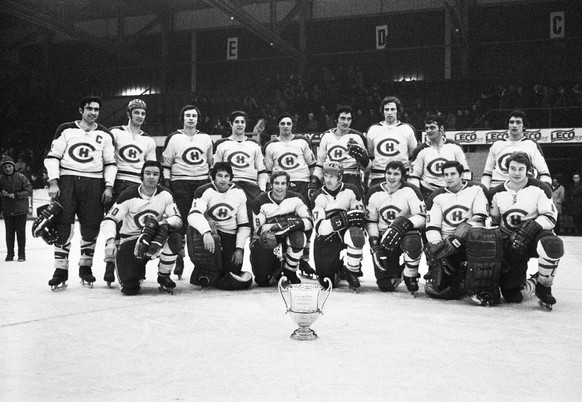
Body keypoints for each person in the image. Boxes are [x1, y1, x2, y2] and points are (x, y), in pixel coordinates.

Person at [44, 96, 116, 289]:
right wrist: (53, 182)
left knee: (91, 227)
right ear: (81, 110)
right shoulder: (66, 129)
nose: (93, 112)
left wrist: (109, 186)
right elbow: (52, 157)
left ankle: (86, 268)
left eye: (96, 109)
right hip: (68, 180)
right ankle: (60, 270)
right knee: (62, 226)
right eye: (89, 109)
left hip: (94, 182)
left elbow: (110, 163)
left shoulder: (106, 134)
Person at [489, 152, 563, 310]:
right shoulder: (496, 193)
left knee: (552, 244)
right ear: (506, 169)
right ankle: (534, 283)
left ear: (527, 170)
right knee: (512, 296)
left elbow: (550, 218)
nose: (516, 173)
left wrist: (528, 230)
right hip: (511, 243)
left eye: (520, 169)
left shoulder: (540, 188)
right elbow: (494, 221)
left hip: (534, 238)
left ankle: (544, 286)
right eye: (513, 168)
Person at [100, 161, 182, 295]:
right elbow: (110, 219)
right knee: (130, 289)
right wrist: (110, 241)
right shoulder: (129, 194)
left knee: (175, 238)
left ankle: (164, 275)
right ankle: (133, 271)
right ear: (142, 175)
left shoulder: (165, 194)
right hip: (131, 240)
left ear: (160, 177)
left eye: (155, 174)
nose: (151, 177)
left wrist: (160, 224)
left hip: (154, 238)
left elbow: (177, 219)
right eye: (148, 173)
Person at [423, 161, 497, 305]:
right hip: (446, 244)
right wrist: (437, 246)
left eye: (453, 174)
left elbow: (480, 217)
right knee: (445, 291)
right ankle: (448, 275)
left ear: (461, 175)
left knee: (482, 237)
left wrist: (460, 234)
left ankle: (478, 282)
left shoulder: (476, 189)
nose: (449, 178)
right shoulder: (437, 196)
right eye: (446, 175)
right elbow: (433, 225)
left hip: (468, 240)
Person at [104, 99, 157, 285]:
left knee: (136, 228)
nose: (140, 116)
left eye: (143, 113)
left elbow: (151, 167)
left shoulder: (148, 140)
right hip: (119, 182)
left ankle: (135, 268)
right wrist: (108, 185)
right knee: (115, 224)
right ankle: (109, 265)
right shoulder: (116, 133)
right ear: (129, 114)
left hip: (138, 185)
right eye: (136, 113)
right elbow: (108, 160)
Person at [161, 105, 213, 278]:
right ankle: (179, 257)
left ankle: (203, 262)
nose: (191, 118)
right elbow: (167, 163)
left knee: (200, 220)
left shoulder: (205, 138)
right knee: (181, 220)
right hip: (180, 182)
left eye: (194, 116)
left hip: (201, 182)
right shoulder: (174, 138)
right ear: (182, 118)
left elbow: (210, 161)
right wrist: (167, 183)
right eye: (187, 115)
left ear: (198, 119)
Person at [263, 113, 317, 276]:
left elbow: (312, 164)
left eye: (288, 123)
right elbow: (267, 170)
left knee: (305, 222)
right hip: (281, 186)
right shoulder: (270, 145)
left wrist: (312, 185)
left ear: (292, 125)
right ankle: (284, 260)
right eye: (282, 123)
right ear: (278, 126)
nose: (285, 126)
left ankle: (304, 260)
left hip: (301, 183)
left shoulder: (302, 142)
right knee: (283, 221)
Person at [186, 162, 252, 290]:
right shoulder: (204, 191)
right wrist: (205, 232)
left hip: (230, 233)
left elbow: (244, 224)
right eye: (219, 175)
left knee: (233, 271)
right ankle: (204, 270)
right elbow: (193, 215)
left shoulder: (239, 193)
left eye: (226, 176)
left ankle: (213, 275)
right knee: (197, 232)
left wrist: (239, 248)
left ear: (230, 177)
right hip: (212, 232)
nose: (223, 180)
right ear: (213, 177)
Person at [365, 161, 426, 293]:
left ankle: (411, 272)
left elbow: (422, 217)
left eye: (396, 174)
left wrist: (405, 224)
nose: (391, 177)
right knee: (386, 285)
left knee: (413, 239)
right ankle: (401, 271)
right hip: (384, 237)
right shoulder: (374, 191)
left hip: (404, 235)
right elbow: (371, 221)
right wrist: (375, 243)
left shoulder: (411, 190)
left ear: (402, 176)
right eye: (389, 173)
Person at [249, 171, 313, 286]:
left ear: (287, 185)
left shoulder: (296, 198)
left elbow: (309, 222)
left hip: (288, 236)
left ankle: (290, 269)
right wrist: (280, 225)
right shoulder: (260, 201)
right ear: (271, 184)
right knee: (262, 281)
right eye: (276, 183)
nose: (279, 187)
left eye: (283, 183)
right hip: (269, 239)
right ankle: (275, 267)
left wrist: (289, 224)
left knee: (299, 236)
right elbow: (258, 229)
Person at [311, 162, 366, 290]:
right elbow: (320, 228)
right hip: (327, 236)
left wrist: (346, 221)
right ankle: (338, 267)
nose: (328, 180)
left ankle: (352, 271)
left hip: (345, 232)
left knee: (356, 235)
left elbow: (359, 218)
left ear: (340, 177)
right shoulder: (317, 196)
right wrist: (344, 218)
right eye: (326, 176)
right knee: (327, 282)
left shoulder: (351, 190)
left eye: (332, 176)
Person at [481, 110, 551, 189]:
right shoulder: (497, 145)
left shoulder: (531, 145)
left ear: (524, 126)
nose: (514, 125)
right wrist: (485, 193)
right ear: (508, 125)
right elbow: (487, 174)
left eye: (518, 122)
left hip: (523, 190)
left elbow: (544, 173)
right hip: (498, 189)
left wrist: (543, 191)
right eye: (511, 122)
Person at [312, 105, 370, 198]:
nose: (345, 122)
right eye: (342, 118)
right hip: (331, 177)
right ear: (336, 119)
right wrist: (314, 182)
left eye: (349, 119)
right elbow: (320, 164)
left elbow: (367, 168)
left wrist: (363, 159)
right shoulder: (326, 136)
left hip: (352, 177)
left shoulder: (358, 137)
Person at [409, 114, 470, 200]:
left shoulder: (455, 147)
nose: (429, 131)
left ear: (441, 128)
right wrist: (417, 197)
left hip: (452, 191)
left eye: (432, 127)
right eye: (427, 128)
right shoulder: (419, 150)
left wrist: (464, 192)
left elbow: (465, 172)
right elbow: (414, 177)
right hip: (428, 193)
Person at [213, 110, 268, 203]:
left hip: (251, 187)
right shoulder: (221, 144)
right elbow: (214, 170)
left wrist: (262, 190)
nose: (240, 124)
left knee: (250, 216)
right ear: (231, 124)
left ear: (245, 124)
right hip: (229, 185)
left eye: (242, 122)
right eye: (236, 122)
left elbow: (262, 171)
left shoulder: (254, 144)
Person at [365, 96, 417, 187]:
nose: (389, 112)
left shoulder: (407, 129)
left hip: (401, 176)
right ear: (383, 111)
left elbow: (413, 155)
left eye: (392, 109)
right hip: (378, 176)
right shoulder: (373, 130)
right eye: (386, 109)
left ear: (398, 111)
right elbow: (371, 155)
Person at [0, 155, 33, 262]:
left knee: (20, 233)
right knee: (9, 233)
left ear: (13, 167)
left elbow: (28, 191)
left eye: (9, 166)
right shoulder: (1, 179)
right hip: (7, 210)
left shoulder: (21, 177)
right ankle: (10, 254)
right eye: (5, 167)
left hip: (20, 210)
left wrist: (17, 195)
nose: (7, 169)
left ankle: (21, 254)